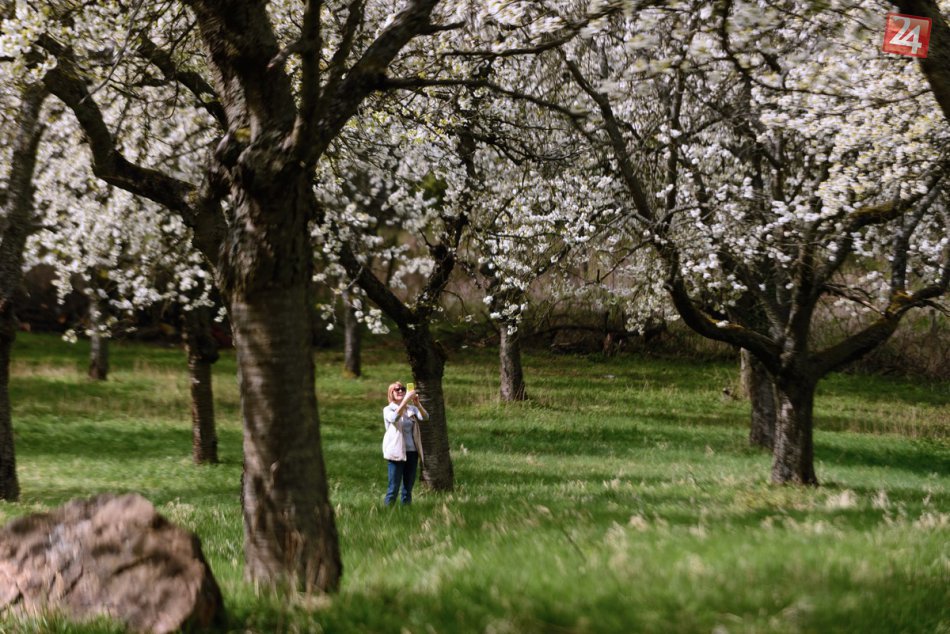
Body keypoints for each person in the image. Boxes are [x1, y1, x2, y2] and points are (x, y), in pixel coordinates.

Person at [382, 381, 427, 505]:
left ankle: (406, 515)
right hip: (396, 452)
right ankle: (387, 514)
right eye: (397, 389)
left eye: (402, 389)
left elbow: (425, 417)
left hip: (412, 453)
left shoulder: (411, 409)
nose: (401, 391)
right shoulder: (388, 409)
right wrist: (405, 401)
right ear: (391, 393)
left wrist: (417, 404)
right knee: (393, 488)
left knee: (408, 489)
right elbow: (394, 418)